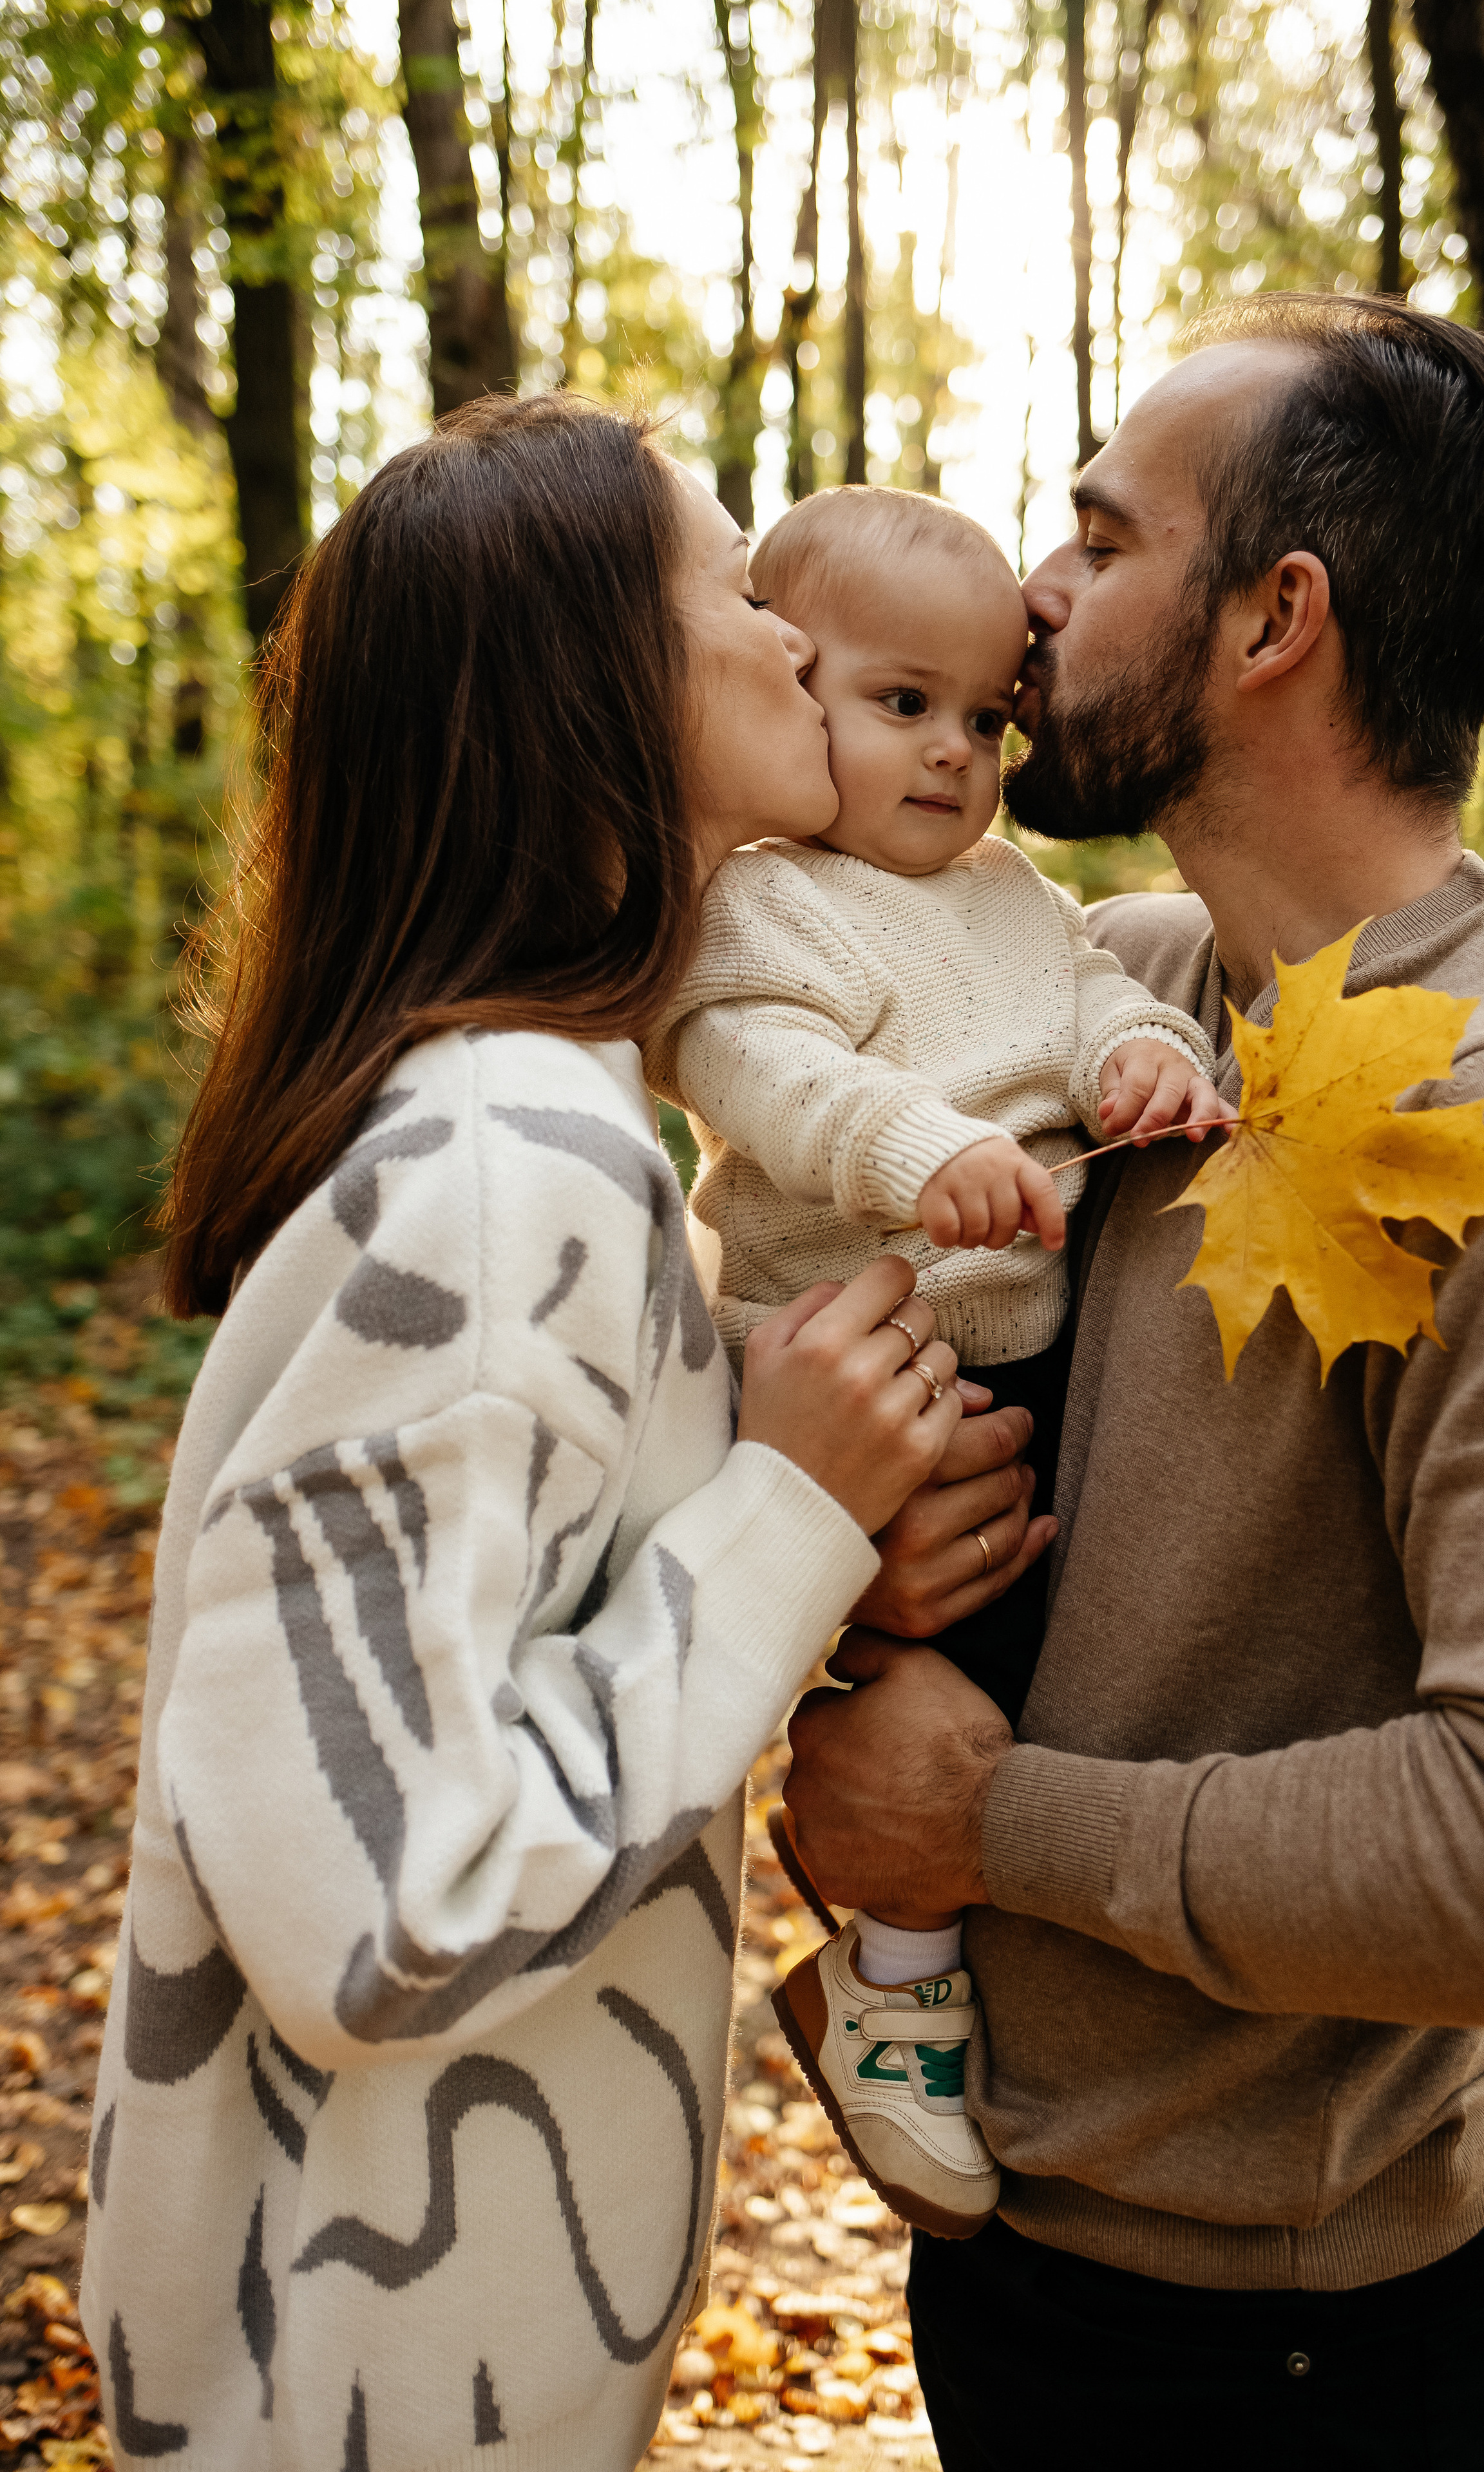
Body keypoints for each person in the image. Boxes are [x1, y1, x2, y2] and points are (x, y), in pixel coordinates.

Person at [79, 394, 996, 2472]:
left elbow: (513, 1678)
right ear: (589, 684)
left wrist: (814, 1510)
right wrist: (782, 1518)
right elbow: (389, 1910)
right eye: (725, 588)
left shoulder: (558, 1129)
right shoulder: (508, 1166)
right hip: (353, 2392)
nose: (785, 634)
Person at [781, 293, 1484, 2470]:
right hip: (1018, 2252)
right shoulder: (1119, 997)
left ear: (1278, 617)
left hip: (1286, 2350)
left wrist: (990, 1824)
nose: (1033, 591)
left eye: (1097, 536)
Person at [642, 482, 1224, 2244]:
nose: (957, 754)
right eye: (905, 704)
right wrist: (910, 1146)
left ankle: (975, 1968)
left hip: (1016, 1372)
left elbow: (1093, 1000)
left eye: (987, 716)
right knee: (930, 1688)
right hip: (838, 1367)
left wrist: (1140, 1060)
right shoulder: (766, 904)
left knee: (1048, 1668)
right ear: (793, 682)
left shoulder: (1016, 898)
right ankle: (895, 1989)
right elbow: (745, 1066)